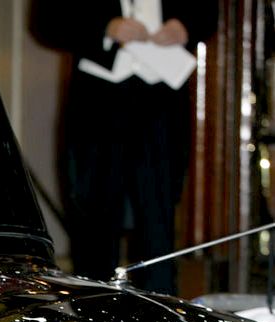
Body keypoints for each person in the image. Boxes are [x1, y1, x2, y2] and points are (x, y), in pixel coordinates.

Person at [33, 2, 218, 295]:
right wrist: (107, 28)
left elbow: (207, 12)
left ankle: (161, 313)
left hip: (163, 102)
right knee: (94, 224)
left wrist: (185, 26)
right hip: (98, 100)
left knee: (159, 228)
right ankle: (93, 311)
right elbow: (48, 20)